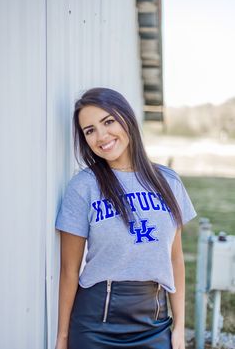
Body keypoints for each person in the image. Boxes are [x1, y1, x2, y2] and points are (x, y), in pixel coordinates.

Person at [55, 87, 197, 349]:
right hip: (95, 322)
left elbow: (175, 259)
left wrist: (178, 329)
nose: (101, 136)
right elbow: (69, 270)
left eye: (108, 121)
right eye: (90, 130)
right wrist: (62, 338)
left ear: (126, 118)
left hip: (153, 321)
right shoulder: (83, 187)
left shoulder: (169, 182)